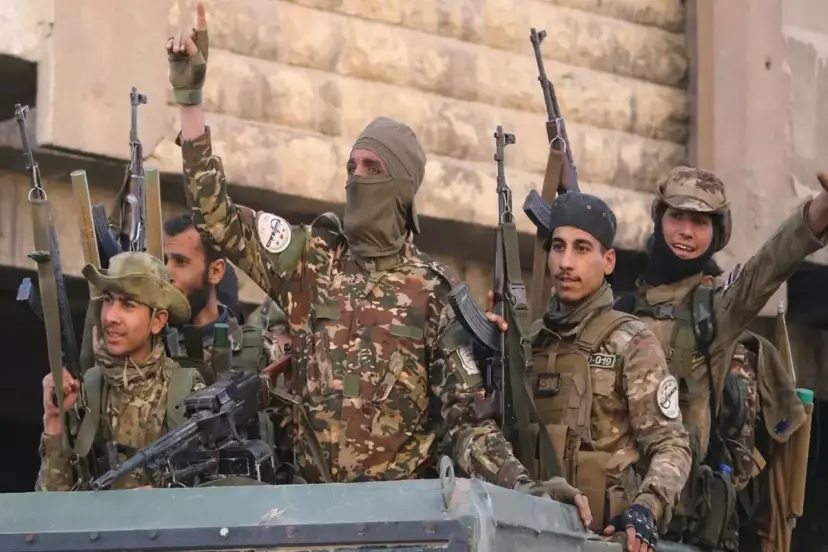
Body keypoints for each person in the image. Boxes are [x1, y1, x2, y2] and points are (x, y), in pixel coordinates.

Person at [163, 2, 593, 527]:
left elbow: (466, 425)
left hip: (397, 524)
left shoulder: (434, 293)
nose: (356, 177)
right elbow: (217, 219)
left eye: (372, 167)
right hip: (309, 519)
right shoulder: (310, 261)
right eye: (351, 165)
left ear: (403, 187)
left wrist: (528, 491)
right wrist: (190, 102)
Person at [611, 167, 828, 548]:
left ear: (717, 233)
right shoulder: (619, 313)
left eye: (700, 222)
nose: (686, 231)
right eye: (677, 216)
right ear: (659, 218)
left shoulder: (716, 311)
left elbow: (770, 264)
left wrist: (821, 210)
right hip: (612, 517)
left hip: (682, 526)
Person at [486, 192, 692, 552]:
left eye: (582, 249)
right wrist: (487, 354)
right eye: (558, 247)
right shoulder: (526, 343)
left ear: (608, 261)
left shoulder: (632, 342)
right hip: (527, 537)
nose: (566, 262)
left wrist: (647, 507)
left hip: (602, 540)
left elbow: (671, 445)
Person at [35, 252, 204, 491]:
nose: (110, 316)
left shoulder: (185, 393)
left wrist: (166, 500)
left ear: (157, 320)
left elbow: (210, 499)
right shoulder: (88, 391)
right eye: (108, 299)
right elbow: (51, 506)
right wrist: (53, 422)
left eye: (128, 304)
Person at [163, 213, 271, 380]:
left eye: (181, 261)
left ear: (215, 272)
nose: (167, 272)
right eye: (165, 260)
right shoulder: (153, 345)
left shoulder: (258, 350)